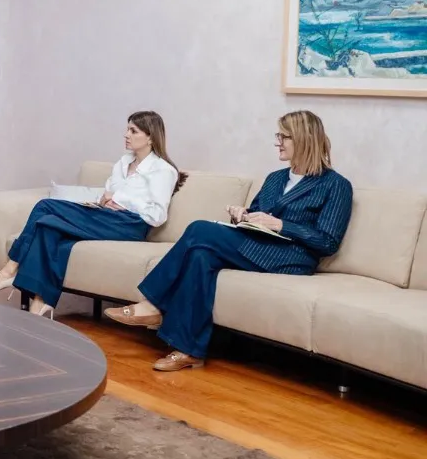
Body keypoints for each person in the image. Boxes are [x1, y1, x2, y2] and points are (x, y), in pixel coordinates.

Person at [106, 110, 353, 371]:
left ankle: (153, 304)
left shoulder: (336, 184)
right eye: (278, 136)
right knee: (200, 256)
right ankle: (188, 351)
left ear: (303, 139)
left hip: (291, 257)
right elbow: (257, 213)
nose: (277, 142)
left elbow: (328, 241)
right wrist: (243, 215)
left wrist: (281, 224)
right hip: (256, 244)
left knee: (199, 229)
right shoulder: (275, 178)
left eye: (284, 137)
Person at [0, 111, 187, 317]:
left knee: (45, 206)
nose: (126, 135)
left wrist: (121, 200)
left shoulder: (163, 170)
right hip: (106, 216)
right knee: (47, 225)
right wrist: (105, 200)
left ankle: (10, 269)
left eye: (133, 131)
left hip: (131, 225)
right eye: (127, 129)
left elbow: (157, 215)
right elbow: (108, 193)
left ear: (150, 137)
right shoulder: (123, 162)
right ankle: (40, 302)